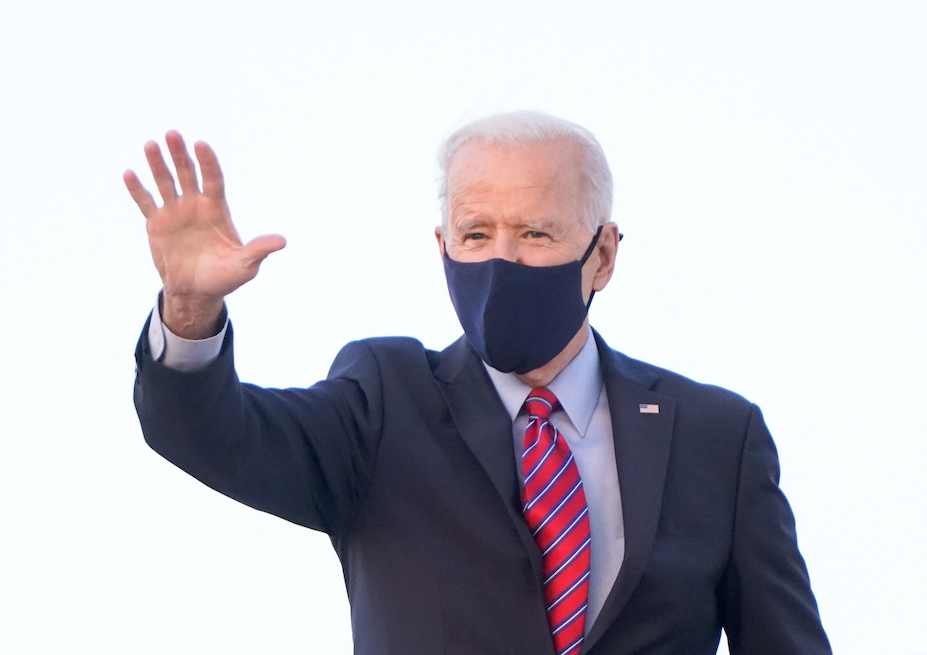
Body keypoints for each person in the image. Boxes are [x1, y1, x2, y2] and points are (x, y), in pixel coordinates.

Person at [127, 111, 832, 654]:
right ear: (442, 247)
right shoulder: (383, 401)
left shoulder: (717, 436)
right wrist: (191, 309)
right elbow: (216, 435)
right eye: (474, 234)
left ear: (604, 255)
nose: (501, 259)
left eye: (534, 234)